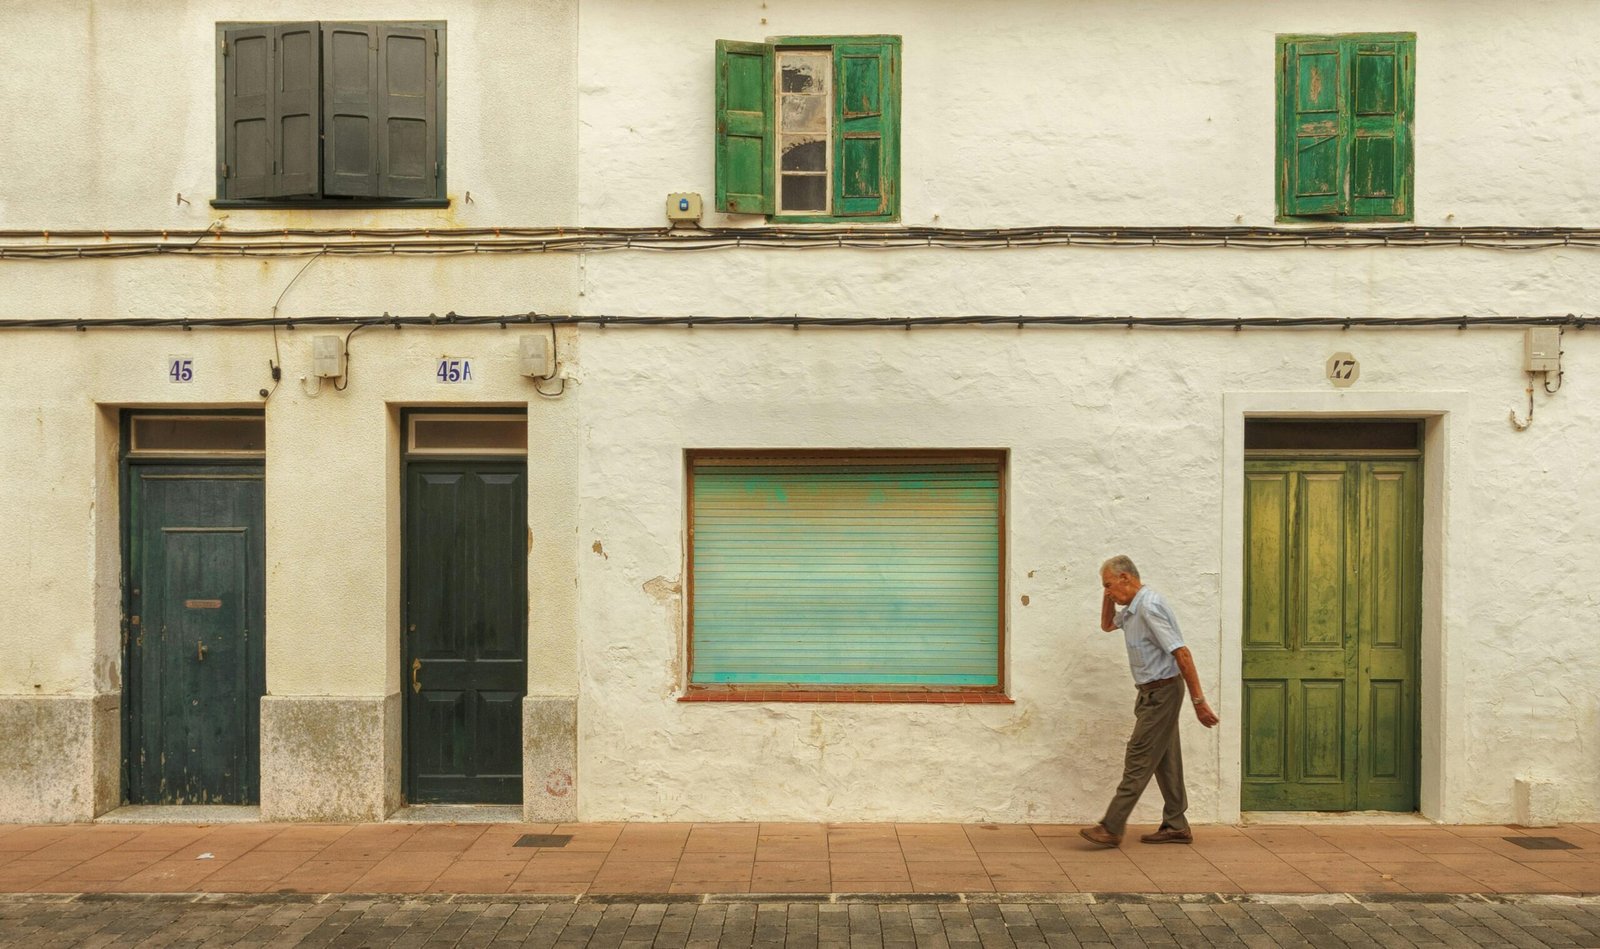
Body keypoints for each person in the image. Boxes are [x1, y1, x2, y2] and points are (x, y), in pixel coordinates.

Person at [1080, 555, 1220, 848]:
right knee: (1166, 760)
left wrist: (1199, 701)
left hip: (1164, 693)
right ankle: (1176, 825)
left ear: (1126, 578)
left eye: (1109, 585)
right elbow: (1106, 625)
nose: (1107, 591)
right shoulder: (1131, 609)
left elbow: (1181, 652)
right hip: (1151, 693)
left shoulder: (1149, 606)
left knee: (1139, 756)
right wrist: (1107, 594)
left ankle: (1111, 827)